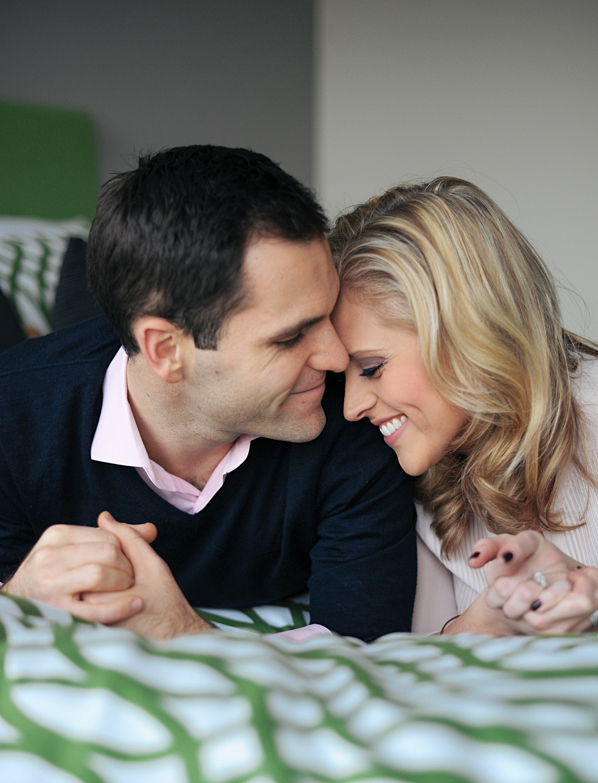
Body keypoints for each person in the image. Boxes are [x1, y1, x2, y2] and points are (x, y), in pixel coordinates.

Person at [0, 145, 417, 641]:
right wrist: (13, 605)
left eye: (329, 313)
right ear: (166, 349)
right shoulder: (12, 418)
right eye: (289, 336)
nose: (334, 357)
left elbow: (362, 663)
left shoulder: (356, 419)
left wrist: (185, 633)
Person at [329, 176, 598, 637]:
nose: (351, 407)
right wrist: (483, 623)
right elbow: (414, 676)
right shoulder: (410, 475)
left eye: (372, 367)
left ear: (469, 335)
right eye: (341, 378)